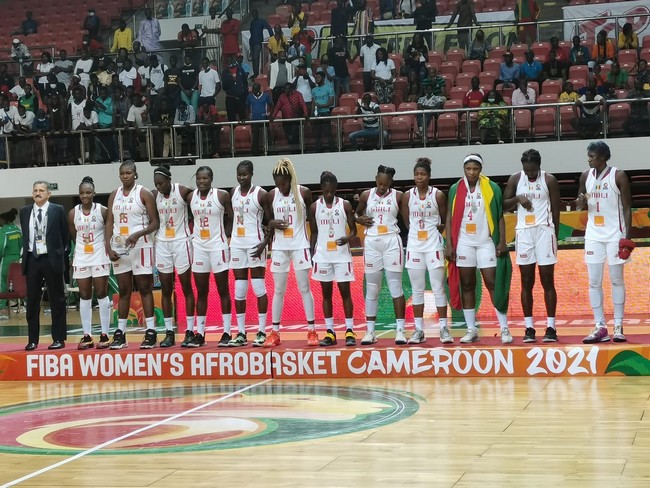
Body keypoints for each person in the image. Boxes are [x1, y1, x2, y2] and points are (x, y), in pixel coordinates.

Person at [446, 154, 512, 344]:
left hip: (486, 242)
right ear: (464, 169)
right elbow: (450, 217)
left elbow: (499, 214)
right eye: (468, 169)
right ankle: (471, 329)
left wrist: (501, 242)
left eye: (475, 169)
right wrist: (449, 244)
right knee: (467, 284)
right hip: (464, 242)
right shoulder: (455, 189)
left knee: (492, 282)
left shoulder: (491, 188)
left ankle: (504, 328)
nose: (472, 172)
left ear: (481, 169)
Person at [576, 142, 632, 344]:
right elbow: (581, 202)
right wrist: (580, 202)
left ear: (602, 157)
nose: (589, 159)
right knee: (594, 281)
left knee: (617, 280)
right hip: (593, 234)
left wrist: (627, 237)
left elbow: (627, 207)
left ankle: (618, 325)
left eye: (592, 156)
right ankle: (600, 326)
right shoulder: (585, 175)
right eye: (588, 155)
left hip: (615, 235)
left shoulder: (618, 175)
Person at [503, 149, 561, 343]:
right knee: (526, 281)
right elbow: (504, 205)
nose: (530, 173)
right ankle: (529, 327)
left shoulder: (549, 180)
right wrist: (518, 198)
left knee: (547, 280)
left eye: (533, 170)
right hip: (524, 233)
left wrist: (555, 236)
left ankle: (551, 327)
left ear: (539, 166)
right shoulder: (515, 179)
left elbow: (556, 209)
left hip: (545, 231)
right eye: (527, 170)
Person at [105, 160, 160, 350]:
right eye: (122, 173)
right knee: (124, 290)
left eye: (128, 173)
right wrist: (108, 247)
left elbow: (155, 223)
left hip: (141, 245)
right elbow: (110, 223)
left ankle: (151, 331)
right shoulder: (114, 195)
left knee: (145, 288)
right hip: (120, 247)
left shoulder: (144, 193)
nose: (125, 176)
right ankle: (120, 333)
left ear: (135, 174)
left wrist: (138, 234)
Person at [261, 158, 315, 347]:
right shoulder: (271, 195)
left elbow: (313, 220)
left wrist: (314, 247)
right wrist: (271, 224)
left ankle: (312, 330)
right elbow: (269, 223)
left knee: (304, 287)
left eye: (283, 183)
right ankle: (275, 332)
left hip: (300, 245)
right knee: (278, 290)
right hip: (279, 247)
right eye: (277, 183)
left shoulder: (303, 192)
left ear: (290, 178)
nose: (280, 187)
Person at [400, 158, 450, 344]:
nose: (419, 177)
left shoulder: (437, 195)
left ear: (429, 176)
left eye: (423, 174)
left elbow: (445, 220)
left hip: (433, 246)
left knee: (438, 288)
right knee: (417, 290)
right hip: (414, 246)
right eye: (417, 174)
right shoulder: (407, 196)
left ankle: (444, 328)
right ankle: (419, 330)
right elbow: (407, 222)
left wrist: (435, 232)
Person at [355, 165, 405, 345]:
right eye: (380, 182)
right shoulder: (366, 195)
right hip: (372, 242)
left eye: (386, 183)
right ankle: (370, 332)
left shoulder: (398, 196)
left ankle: (400, 330)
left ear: (391, 182)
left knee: (395, 287)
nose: (382, 186)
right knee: (372, 289)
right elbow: (357, 213)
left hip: (392, 241)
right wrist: (358, 219)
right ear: (376, 178)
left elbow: (407, 219)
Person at [186, 166, 233, 347]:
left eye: (205, 178)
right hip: (199, 247)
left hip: (217, 246)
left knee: (223, 290)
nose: (201, 181)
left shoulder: (221, 196)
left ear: (211, 179)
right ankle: (200, 333)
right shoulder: (191, 197)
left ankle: (227, 332)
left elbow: (232, 216)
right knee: (201, 292)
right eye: (199, 178)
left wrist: (227, 236)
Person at [309, 171, 357, 347]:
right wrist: (311, 252)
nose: (329, 194)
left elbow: (353, 230)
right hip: (322, 256)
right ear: (322, 189)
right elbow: (313, 232)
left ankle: (350, 330)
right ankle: (330, 332)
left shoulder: (344, 205)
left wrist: (348, 238)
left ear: (336, 188)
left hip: (342, 255)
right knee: (326, 294)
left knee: (345, 292)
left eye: (331, 191)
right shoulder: (315, 207)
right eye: (326, 191)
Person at [20, 181, 69, 350]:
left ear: (49, 194)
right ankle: (32, 340)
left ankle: (59, 338)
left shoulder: (58, 210)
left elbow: (65, 236)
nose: (38, 193)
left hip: (51, 258)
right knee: (32, 301)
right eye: (35, 190)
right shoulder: (25, 211)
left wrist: (62, 257)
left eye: (41, 190)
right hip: (32, 258)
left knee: (57, 299)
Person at [151, 164, 195, 348]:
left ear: (169, 180)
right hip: (162, 243)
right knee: (166, 290)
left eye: (161, 183)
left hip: (181, 241)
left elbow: (199, 202)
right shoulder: (154, 195)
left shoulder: (183, 191)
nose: (159, 187)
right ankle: (169, 332)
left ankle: (191, 331)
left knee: (185, 288)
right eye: (156, 184)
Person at [66, 177, 111, 349]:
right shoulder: (73, 213)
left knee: (101, 293)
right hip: (82, 256)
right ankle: (87, 335)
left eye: (88, 192)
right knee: (84, 295)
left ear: (94, 193)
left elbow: (109, 232)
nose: (85, 195)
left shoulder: (102, 211)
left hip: (99, 255)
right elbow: (74, 237)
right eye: (82, 193)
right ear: (79, 194)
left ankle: (105, 334)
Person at [229, 160, 270, 347]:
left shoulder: (261, 194)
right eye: (239, 174)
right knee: (239, 290)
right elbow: (231, 219)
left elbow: (270, 223)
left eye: (245, 174)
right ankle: (241, 333)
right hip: (237, 245)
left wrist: (264, 244)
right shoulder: (233, 192)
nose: (241, 177)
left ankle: (261, 331)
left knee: (259, 287)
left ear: (251, 174)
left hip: (255, 244)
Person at [0, 209, 21, 320]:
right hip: (17, 258)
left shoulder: (3, 230)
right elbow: (22, 244)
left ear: (4, 220)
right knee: (16, 282)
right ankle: (21, 304)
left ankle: (2, 306)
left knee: (3, 282)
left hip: (6, 259)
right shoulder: (17, 230)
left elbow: (1, 246)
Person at [311, 71, 335, 152]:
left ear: (323, 78)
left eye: (318, 77)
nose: (316, 79)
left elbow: (331, 102)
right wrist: (312, 113)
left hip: (326, 113)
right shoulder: (314, 90)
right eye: (316, 77)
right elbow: (313, 102)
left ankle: (332, 149)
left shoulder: (329, 88)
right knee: (317, 134)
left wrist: (321, 106)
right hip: (317, 114)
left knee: (327, 133)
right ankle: (318, 150)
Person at [247, 82, 273, 155]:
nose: (253, 92)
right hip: (254, 119)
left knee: (267, 134)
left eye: (255, 90)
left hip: (264, 118)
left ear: (259, 90)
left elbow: (271, 105)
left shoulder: (266, 96)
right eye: (253, 90)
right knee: (255, 135)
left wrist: (270, 114)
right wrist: (247, 116)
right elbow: (247, 106)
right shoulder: (249, 96)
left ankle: (270, 149)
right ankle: (255, 151)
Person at [222, 54, 248, 122]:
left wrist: (244, 93)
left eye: (230, 61)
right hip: (230, 98)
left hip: (240, 98)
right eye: (227, 61)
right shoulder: (225, 72)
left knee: (243, 118)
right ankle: (233, 132)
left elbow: (245, 82)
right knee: (231, 119)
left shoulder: (240, 69)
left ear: (234, 60)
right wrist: (230, 79)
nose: (229, 63)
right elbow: (224, 87)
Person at [249, 9, 274, 78]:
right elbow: (251, 33)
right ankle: (255, 73)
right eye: (253, 14)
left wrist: (272, 37)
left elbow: (269, 28)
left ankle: (256, 74)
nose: (254, 15)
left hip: (258, 42)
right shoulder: (252, 22)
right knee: (253, 59)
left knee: (256, 57)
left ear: (257, 14)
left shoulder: (261, 21)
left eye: (255, 14)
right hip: (252, 42)